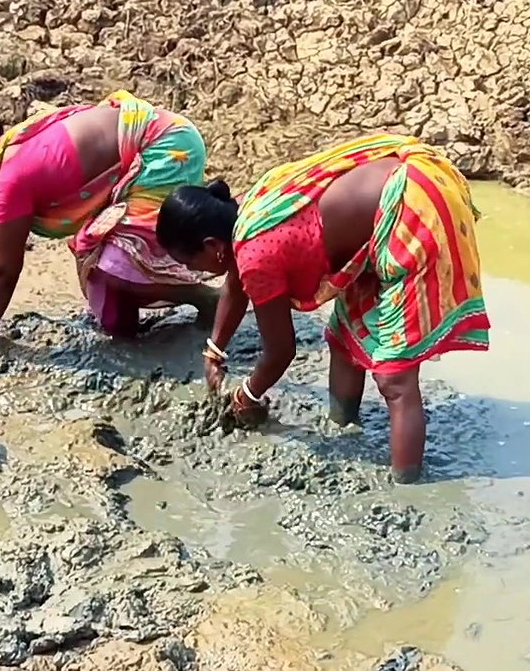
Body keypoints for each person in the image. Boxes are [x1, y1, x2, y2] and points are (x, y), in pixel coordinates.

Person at [156, 133, 491, 483]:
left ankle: (408, 488)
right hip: (385, 207)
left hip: (413, 209)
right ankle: (343, 428)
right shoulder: (245, 215)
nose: (193, 272)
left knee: (395, 377)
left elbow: (281, 351)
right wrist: (215, 351)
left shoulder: (256, 255)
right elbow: (235, 287)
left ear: (213, 247)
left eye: (191, 262)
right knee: (345, 338)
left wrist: (248, 394)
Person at [0, 90, 217, 352]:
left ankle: (206, 298)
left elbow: (5, 270)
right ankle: (142, 342)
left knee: (112, 267)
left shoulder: (12, 177)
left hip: (165, 147)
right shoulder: (1, 164)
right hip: (145, 149)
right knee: (111, 312)